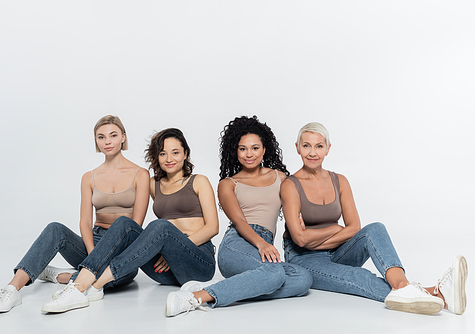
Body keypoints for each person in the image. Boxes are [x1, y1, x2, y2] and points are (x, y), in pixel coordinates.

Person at [281, 122, 468, 315]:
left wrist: (314, 238)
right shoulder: (290, 185)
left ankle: (403, 287)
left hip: (339, 252)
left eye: (319, 146)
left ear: (328, 149)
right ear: (297, 148)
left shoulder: (340, 181)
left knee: (375, 228)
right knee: (359, 276)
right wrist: (335, 230)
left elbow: (354, 228)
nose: (312, 152)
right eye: (306, 146)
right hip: (305, 260)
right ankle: (439, 296)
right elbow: (300, 240)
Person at [40, 128, 219, 313]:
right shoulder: (152, 184)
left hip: (198, 262)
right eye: (163, 153)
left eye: (175, 152)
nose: (169, 159)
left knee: (160, 226)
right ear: (157, 156)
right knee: (125, 223)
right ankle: (82, 284)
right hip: (164, 271)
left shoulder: (199, 181)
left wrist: (178, 248)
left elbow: (213, 227)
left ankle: (90, 285)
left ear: (185, 154)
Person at [0, 115, 150, 313]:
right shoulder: (89, 177)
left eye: (113, 135)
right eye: (101, 137)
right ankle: (13, 289)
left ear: (123, 137)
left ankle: (60, 277)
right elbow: (84, 222)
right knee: (55, 229)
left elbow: (135, 226)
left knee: (113, 274)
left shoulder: (140, 174)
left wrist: (100, 259)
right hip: (94, 242)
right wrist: (94, 254)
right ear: (96, 141)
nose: (107, 142)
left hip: (124, 250)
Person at [165, 116, 312, 317]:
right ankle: (193, 298)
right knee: (275, 274)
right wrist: (261, 244)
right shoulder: (228, 184)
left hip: (264, 247)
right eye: (242, 149)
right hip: (237, 244)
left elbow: (292, 211)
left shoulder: (280, 177)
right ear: (235, 151)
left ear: (264, 149)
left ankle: (220, 289)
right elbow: (240, 221)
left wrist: (298, 218)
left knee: (302, 279)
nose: (249, 154)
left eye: (254, 148)